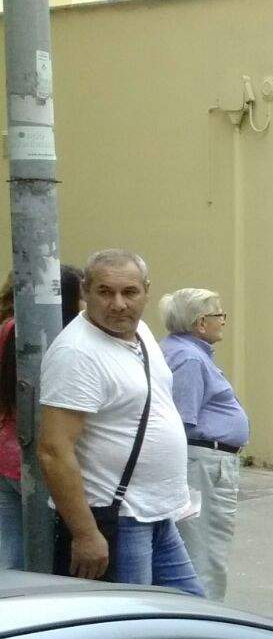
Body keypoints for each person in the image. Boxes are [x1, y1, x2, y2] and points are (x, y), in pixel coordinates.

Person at [37, 250, 203, 592]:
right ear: (85, 290)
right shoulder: (77, 353)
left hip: (156, 515)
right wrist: (85, 534)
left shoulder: (139, 331)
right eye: (104, 292)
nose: (118, 304)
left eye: (129, 292)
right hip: (117, 520)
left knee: (191, 610)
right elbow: (54, 450)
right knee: (134, 629)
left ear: (146, 291)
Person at [159, 288, 249, 600]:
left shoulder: (184, 352)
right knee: (206, 552)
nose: (223, 321)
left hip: (202, 462)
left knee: (199, 548)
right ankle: (206, 623)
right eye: (219, 315)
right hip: (201, 464)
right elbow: (181, 422)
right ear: (200, 323)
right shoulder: (188, 358)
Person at [0, 266, 82, 570]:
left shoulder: (6, 326)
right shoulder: (51, 336)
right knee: (46, 549)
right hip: (35, 455)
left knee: (10, 550)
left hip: (6, 450)